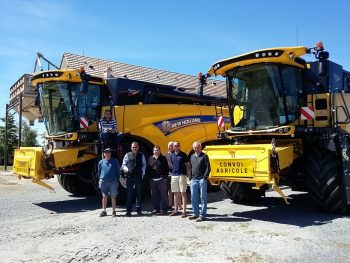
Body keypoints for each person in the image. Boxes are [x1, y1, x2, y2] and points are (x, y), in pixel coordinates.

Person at [121, 142, 146, 217]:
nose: (134, 148)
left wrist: (143, 173)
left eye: (135, 147)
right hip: (130, 177)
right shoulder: (127, 155)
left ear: (138, 147)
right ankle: (128, 211)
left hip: (138, 176)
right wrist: (126, 169)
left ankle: (139, 210)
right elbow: (124, 164)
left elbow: (144, 165)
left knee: (138, 194)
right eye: (133, 147)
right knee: (129, 194)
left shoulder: (142, 155)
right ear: (131, 148)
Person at [189, 141, 211, 222]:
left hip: (202, 179)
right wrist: (190, 177)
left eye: (197, 147)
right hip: (194, 180)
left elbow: (208, 167)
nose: (196, 149)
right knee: (193, 198)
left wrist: (205, 177)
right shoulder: (191, 156)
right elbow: (190, 168)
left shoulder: (204, 156)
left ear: (200, 147)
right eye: (194, 147)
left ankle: (203, 215)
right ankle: (195, 214)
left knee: (203, 198)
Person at [98, 148, 120, 217]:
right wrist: (100, 180)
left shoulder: (115, 161)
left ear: (110, 153)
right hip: (103, 182)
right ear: (104, 154)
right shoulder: (101, 162)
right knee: (104, 196)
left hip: (113, 182)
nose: (107, 154)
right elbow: (99, 172)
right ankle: (104, 211)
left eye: (108, 153)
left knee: (113, 196)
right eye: (105, 153)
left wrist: (116, 180)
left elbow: (118, 172)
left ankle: (114, 211)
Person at [169, 141, 189, 218]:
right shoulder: (172, 155)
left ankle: (184, 211)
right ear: (173, 147)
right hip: (174, 176)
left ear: (179, 146)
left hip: (182, 175)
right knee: (175, 193)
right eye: (174, 146)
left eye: (177, 145)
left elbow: (187, 165)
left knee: (183, 193)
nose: (176, 147)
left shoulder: (183, 155)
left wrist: (186, 174)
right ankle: (176, 210)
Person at [148, 146, 169, 215]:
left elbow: (167, 169)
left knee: (163, 195)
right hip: (153, 179)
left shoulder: (163, 158)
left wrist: (164, 177)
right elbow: (148, 169)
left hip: (161, 179)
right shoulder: (151, 158)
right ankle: (156, 209)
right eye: (155, 150)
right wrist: (150, 178)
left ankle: (164, 209)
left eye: (157, 150)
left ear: (160, 151)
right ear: (153, 151)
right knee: (154, 195)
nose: (156, 151)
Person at [165, 141, 174, 209]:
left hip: (175, 174)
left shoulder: (176, 154)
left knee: (177, 191)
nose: (170, 147)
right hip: (168, 175)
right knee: (169, 190)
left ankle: (179, 205)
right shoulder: (166, 155)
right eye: (169, 145)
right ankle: (170, 204)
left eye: (171, 145)